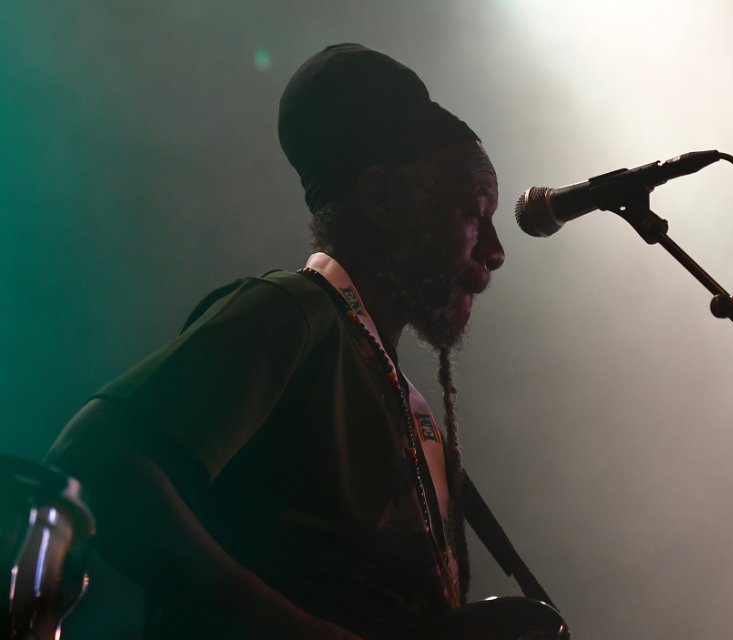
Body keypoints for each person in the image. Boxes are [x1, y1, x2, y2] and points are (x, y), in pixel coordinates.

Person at [45, 43, 506, 640]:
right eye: (473, 212)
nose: (495, 250)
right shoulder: (293, 309)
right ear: (382, 201)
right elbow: (91, 460)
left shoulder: (391, 389)